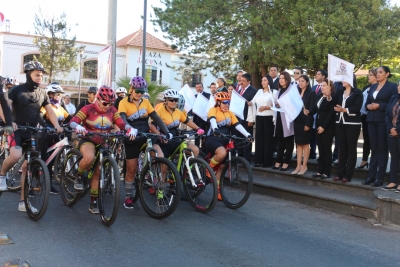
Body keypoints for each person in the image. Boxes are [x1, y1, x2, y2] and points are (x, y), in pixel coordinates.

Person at [0, 61, 63, 213]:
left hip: (32, 131)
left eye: (41, 75)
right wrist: (9, 122)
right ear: (28, 74)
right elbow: (3, 106)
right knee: (15, 155)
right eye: (36, 75)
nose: (39, 77)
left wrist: (57, 125)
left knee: (27, 166)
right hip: (17, 129)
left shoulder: (42, 93)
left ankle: (23, 202)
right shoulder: (17, 90)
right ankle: (2, 175)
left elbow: (50, 111)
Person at [70, 85, 135, 213]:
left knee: (98, 172)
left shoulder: (112, 110)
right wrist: (78, 126)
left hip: (104, 141)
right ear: (98, 100)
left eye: (110, 103)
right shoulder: (88, 108)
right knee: (89, 157)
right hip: (88, 139)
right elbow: (73, 120)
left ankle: (93, 202)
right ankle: (78, 175)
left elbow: (120, 122)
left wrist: (129, 128)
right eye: (105, 103)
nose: (108, 106)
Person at [118, 76, 172, 209]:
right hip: (131, 137)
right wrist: (129, 129)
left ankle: (156, 182)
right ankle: (128, 196)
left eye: (142, 91)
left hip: (145, 135)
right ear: (131, 89)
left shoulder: (146, 102)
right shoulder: (123, 102)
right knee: (131, 169)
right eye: (137, 91)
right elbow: (122, 119)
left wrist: (166, 132)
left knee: (160, 156)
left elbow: (156, 117)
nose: (139, 94)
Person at [206, 92, 254, 200]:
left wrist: (248, 135)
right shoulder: (213, 110)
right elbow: (213, 120)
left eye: (228, 102)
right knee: (222, 153)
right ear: (218, 103)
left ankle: (217, 191)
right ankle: (209, 167)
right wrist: (215, 129)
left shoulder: (230, 113)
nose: (227, 104)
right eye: (225, 102)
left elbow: (237, 125)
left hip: (224, 140)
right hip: (212, 138)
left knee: (222, 167)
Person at [363, 66, 398, 187]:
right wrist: (369, 106)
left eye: (380, 72)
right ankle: (371, 176)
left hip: (383, 120)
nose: (377, 74)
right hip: (371, 119)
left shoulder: (392, 86)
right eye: (377, 72)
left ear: (387, 74)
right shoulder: (372, 87)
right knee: (374, 148)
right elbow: (367, 102)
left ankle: (379, 177)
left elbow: (393, 103)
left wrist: (379, 106)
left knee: (382, 149)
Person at [151, 89, 204, 160]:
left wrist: (198, 128)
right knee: (164, 167)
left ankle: (187, 170)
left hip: (175, 139)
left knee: (195, 149)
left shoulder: (178, 112)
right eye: (171, 100)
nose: (174, 102)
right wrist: (160, 135)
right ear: (166, 100)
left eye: (176, 100)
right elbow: (152, 126)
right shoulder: (159, 111)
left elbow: (187, 121)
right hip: (163, 141)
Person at [39, 83, 71, 194]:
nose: (59, 96)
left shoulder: (60, 108)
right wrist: (45, 126)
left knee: (51, 162)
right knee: (43, 159)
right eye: (56, 94)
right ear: (50, 95)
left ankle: (48, 185)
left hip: (56, 135)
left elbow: (69, 118)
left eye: (60, 94)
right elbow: (40, 116)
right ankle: (38, 183)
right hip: (45, 135)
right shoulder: (46, 107)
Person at [332, 77, 362, 183]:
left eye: (345, 79)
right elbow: (332, 101)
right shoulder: (340, 91)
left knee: (351, 149)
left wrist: (344, 110)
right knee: (342, 149)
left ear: (351, 79)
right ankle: (340, 174)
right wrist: (328, 95)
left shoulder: (358, 93)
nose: (342, 81)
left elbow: (357, 107)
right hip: (340, 123)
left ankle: (348, 175)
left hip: (353, 124)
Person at [247, 75, 276, 167]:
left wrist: (266, 107)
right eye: (262, 80)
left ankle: (267, 162)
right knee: (259, 139)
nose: (262, 82)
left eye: (265, 80)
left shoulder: (274, 92)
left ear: (269, 81)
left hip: (269, 118)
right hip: (259, 117)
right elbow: (253, 101)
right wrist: (250, 103)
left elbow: (276, 106)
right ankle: (258, 160)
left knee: (268, 140)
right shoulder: (259, 91)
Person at [292, 75, 316, 175]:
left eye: (303, 81)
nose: (300, 83)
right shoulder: (296, 93)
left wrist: (308, 124)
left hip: (306, 121)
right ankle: (298, 165)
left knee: (305, 144)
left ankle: (304, 165)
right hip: (297, 121)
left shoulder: (311, 93)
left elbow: (312, 110)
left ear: (307, 82)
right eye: (299, 81)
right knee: (298, 144)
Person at [312, 79, 335, 179]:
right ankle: (320, 170)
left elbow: (331, 114)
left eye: (325, 85)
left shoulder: (332, 98)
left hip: (327, 127)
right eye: (321, 86)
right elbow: (315, 109)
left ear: (330, 87)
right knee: (320, 149)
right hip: (318, 125)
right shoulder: (320, 97)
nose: (322, 87)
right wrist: (308, 112)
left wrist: (323, 127)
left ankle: (327, 171)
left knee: (326, 148)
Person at [273, 72, 295, 171]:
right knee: (280, 140)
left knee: (288, 141)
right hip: (279, 117)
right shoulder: (280, 90)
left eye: (283, 78)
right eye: (280, 78)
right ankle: (278, 161)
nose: (281, 80)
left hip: (288, 118)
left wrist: (283, 104)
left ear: (287, 79)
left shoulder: (292, 89)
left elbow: (293, 103)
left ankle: (286, 162)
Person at [358, 68, 378, 169]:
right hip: (364, 116)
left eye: (370, 75)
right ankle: (364, 160)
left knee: (374, 140)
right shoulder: (366, 87)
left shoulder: (379, 88)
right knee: (366, 138)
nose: (368, 77)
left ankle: (375, 162)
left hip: (375, 116)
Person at [237, 73, 257, 163]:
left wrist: (251, 120)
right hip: (238, 117)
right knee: (240, 138)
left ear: (249, 81)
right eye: (241, 80)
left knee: (247, 138)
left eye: (243, 81)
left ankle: (246, 158)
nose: (241, 83)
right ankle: (240, 157)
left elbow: (254, 106)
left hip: (247, 118)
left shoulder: (253, 91)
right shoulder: (239, 90)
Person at [384, 83, 400, 191]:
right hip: (391, 131)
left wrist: (397, 129)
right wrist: (391, 128)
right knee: (394, 157)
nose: (398, 87)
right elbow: (387, 114)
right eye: (398, 85)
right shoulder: (394, 98)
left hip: (398, 131)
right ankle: (393, 181)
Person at [191, 82, 210, 150]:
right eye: (197, 87)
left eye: (200, 87)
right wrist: (192, 111)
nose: (198, 88)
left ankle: (204, 151)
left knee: (204, 136)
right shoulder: (194, 96)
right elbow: (192, 107)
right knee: (196, 136)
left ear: (203, 88)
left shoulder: (208, 96)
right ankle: (197, 150)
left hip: (204, 120)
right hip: (196, 120)